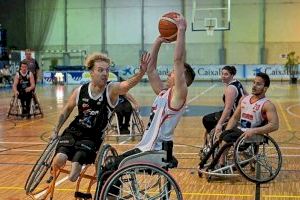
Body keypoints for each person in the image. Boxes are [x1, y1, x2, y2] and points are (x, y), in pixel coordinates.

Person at [106, 14, 195, 170]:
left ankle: (111, 194)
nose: (169, 73)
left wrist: (181, 30)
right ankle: (113, 194)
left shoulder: (179, 95)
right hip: (147, 146)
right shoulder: (163, 93)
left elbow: (178, 60)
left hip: (157, 149)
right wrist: (158, 40)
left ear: (182, 76)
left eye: (173, 72)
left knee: (112, 167)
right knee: (109, 166)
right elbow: (151, 70)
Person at [51, 52, 151, 182]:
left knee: (74, 174)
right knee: (59, 158)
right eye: (100, 70)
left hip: (92, 137)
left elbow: (126, 85)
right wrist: (55, 130)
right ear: (91, 72)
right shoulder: (80, 91)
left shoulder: (111, 90)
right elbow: (66, 110)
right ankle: (51, 175)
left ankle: (77, 168)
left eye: (107, 70)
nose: (105, 73)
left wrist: (141, 73)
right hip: (74, 131)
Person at [206, 73, 279, 169]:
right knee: (221, 135)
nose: (254, 86)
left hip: (252, 133)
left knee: (226, 139)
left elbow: (274, 125)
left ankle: (221, 164)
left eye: (258, 84)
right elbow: (235, 118)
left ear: (265, 88)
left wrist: (254, 131)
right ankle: (218, 161)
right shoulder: (244, 99)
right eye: (254, 83)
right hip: (240, 130)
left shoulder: (267, 105)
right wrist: (226, 131)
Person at [201, 66, 247, 150]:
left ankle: (213, 142)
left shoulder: (230, 88)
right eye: (222, 74)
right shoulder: (237, 82)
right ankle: (208, 141)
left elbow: (228, 109)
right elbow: (247, 95)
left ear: (232, 75)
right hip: (239, 112)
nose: (223, 76)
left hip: (233, 115)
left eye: (226, 74)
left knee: (206, 119)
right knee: (210, 119)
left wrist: (219, 124)